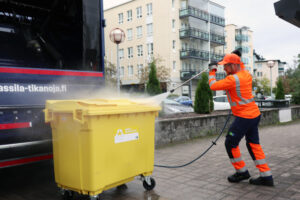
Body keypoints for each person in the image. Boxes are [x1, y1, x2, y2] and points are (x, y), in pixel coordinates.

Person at [208, 53, 274, 186]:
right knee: (253, 144)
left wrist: (212, 71)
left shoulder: (233, 80)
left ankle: (241, 172)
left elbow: (213, 85)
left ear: (233, 65)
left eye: (226, 66)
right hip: (254, 115)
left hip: (244, 117)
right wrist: (231, 58)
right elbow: (239, 66)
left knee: (230, 143)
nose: (224, 69)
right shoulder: (246, 74)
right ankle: (266, 176)